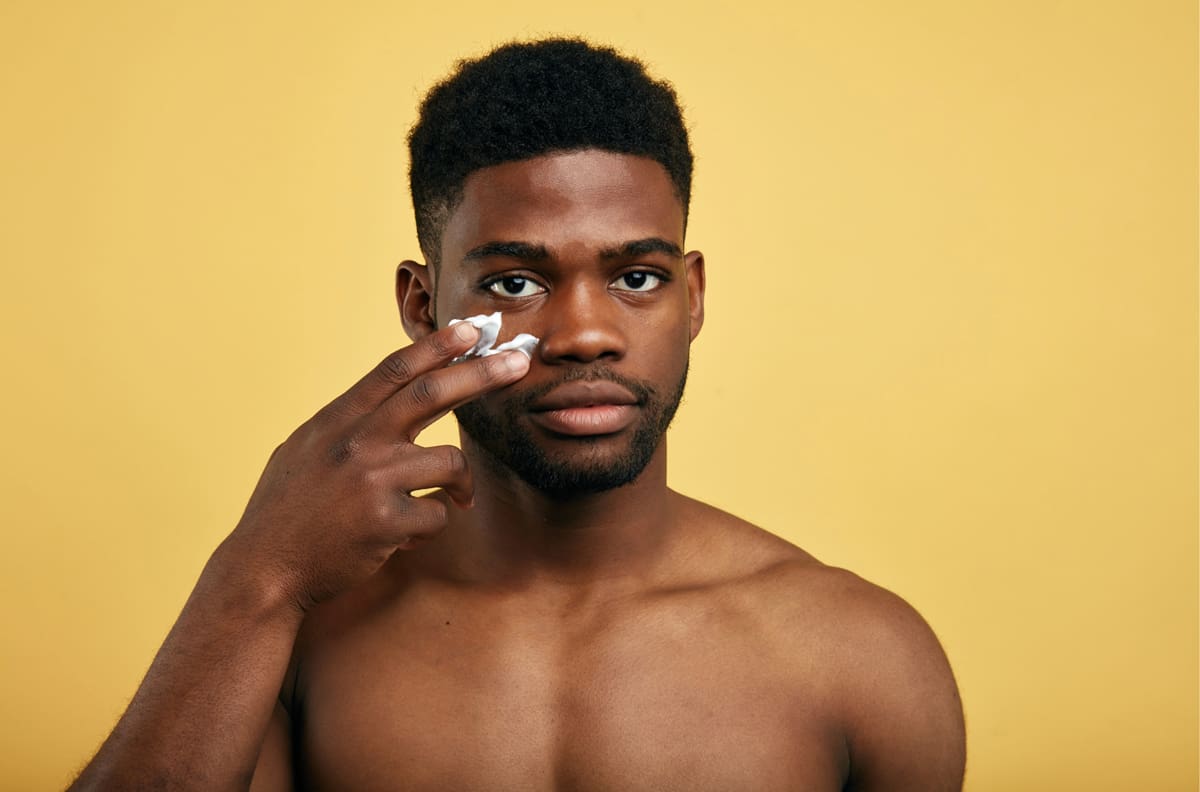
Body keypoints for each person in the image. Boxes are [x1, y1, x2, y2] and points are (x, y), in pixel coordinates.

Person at [70, 38, 965, 791]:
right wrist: (252, 574)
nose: (583, 334)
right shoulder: (301, 635)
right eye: (515, 283)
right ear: (424, 307)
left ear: (691, 297)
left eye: (636, 278)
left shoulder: (858, 655)